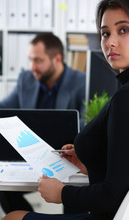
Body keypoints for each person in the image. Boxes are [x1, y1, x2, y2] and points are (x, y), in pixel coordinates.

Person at [3, 0, 129, 220]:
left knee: (13, 217)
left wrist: (62, 194)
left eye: (123, 30)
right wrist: (93, 159)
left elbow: (116, 194)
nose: (110, 42)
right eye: (105, 33)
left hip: (115, 216)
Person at [0, 33, 86, 214]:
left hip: (66, 157)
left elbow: (86, 125)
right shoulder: (27, 79)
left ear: (57, 59)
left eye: (38, 60)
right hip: (28, 156)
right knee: (4, 190)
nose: (32, 67)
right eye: (31, 60)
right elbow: (5, 109)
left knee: (74, 195)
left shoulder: (80, 82)